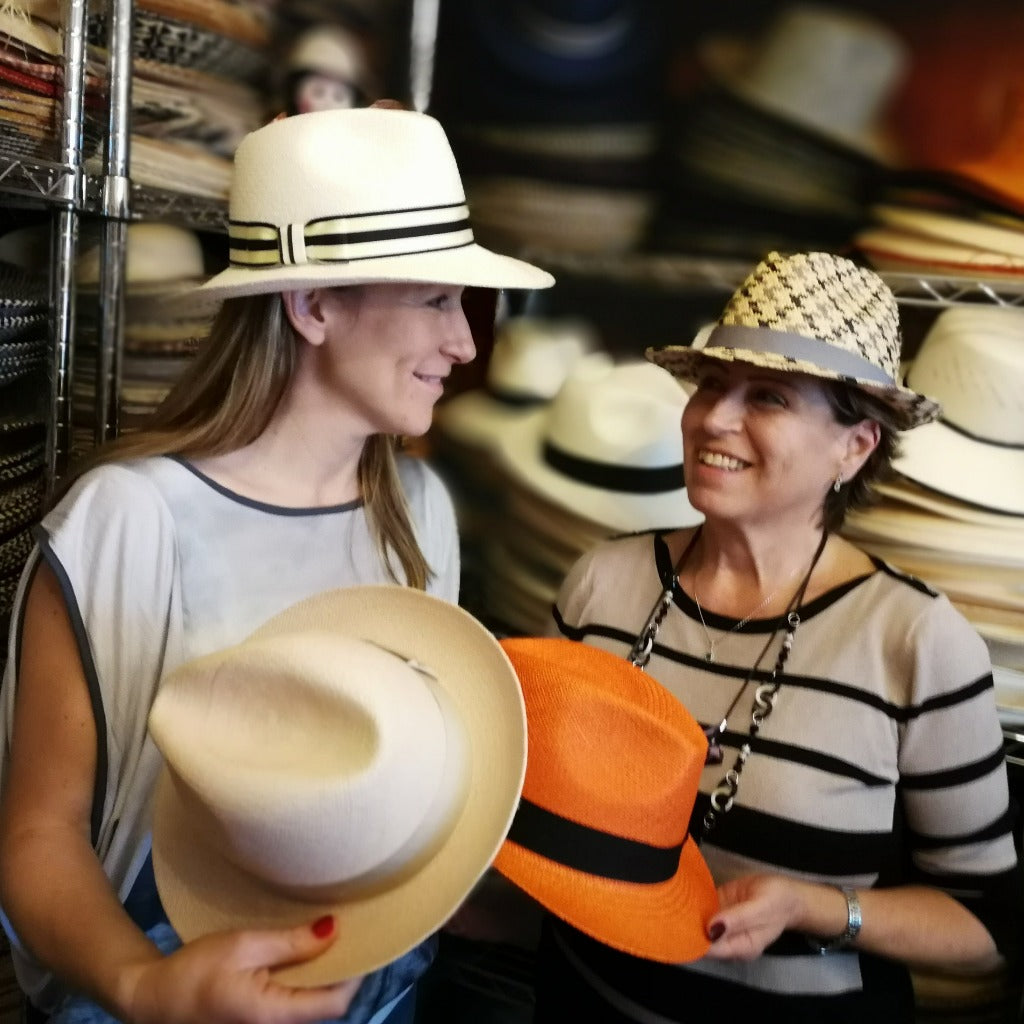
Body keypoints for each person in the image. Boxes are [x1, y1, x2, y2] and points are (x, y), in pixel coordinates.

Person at [0, 104, 552, 1024]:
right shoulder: (131, 521)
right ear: (314, 305)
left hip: (380, 997)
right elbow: (33, 832)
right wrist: (146, 986)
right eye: (434, 297)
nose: (464, 341)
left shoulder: (418, 515)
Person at [539, 250, 1023, 1022]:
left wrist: (817, 909)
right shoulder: (604, 582)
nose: (714, 418)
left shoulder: (915, 642)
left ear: (853, 448)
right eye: (710, 386)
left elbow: (989, 927)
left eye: (766, 396)